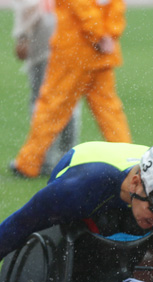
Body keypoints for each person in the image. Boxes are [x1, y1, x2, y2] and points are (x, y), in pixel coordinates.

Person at [0, 140, 153, 282]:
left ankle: (125, 277)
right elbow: (20, 224)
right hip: (83, 183)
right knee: (110, 225)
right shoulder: (78, 189)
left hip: (127, 186)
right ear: (135, 183)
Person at [9, 0, 131, 179]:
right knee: (110, 112)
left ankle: (28, 163)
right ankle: (129, 159)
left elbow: (80, 6)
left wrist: (98, 34)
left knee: (52, 107)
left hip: (73, 51)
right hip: (102, 53)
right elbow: (116, 7)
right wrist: (109, 35)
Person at [12, 0, 82, 176]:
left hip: (46, 41)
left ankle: (42, 159)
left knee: (42, 101)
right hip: (73, 41)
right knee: (68, 101)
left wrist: (22, 36)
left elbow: (29, 6)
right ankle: (67, 157)